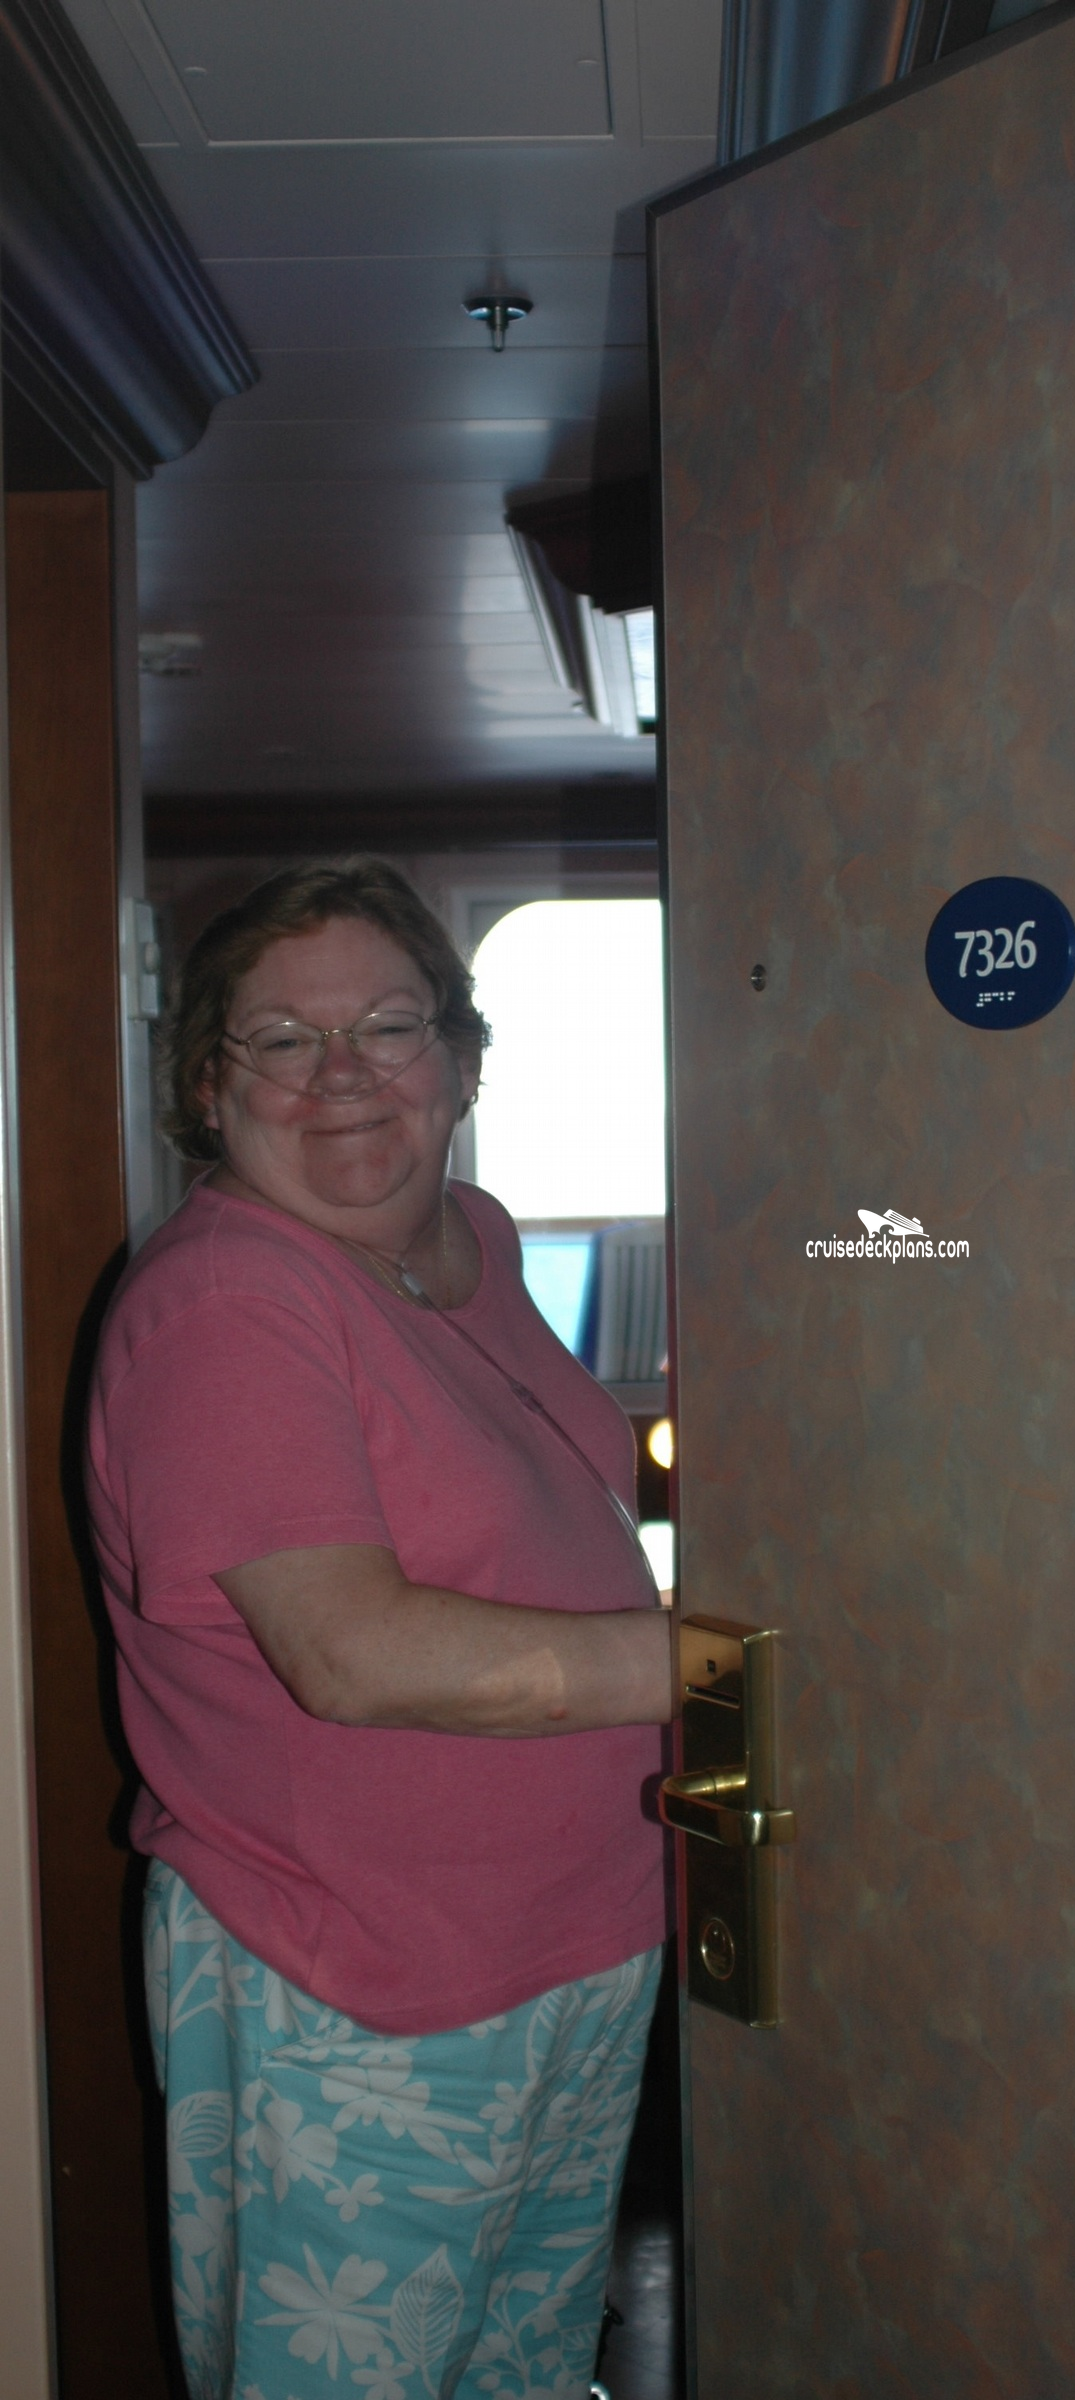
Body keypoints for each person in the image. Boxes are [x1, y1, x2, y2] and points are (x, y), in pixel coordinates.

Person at [87, 857, 674, 2400]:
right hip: (353, 1976)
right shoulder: (229, 1304)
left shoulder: (468, 1235)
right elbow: (351, 1654)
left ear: (461, 1061)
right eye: (283, 1039)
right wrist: (724, 1660)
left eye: (390, 1027)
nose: (342, 1075)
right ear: (207, 1087)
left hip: (570, 1942)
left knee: (522, 2371)